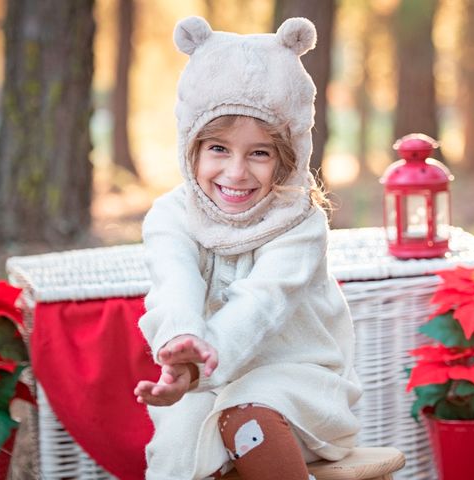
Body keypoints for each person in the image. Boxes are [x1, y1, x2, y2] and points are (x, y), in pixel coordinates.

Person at [134, 15, 361, 480]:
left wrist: (206, 357)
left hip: (300, 384)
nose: (236, 173)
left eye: (259, 152)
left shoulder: (298, 223)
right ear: (190, 148)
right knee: (180, 450)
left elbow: (262, 305)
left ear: (287, 157)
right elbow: (174, 283)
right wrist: (183, 343)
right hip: (200, 384)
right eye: (218, 148)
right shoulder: (171, 216)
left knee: (246, 415)